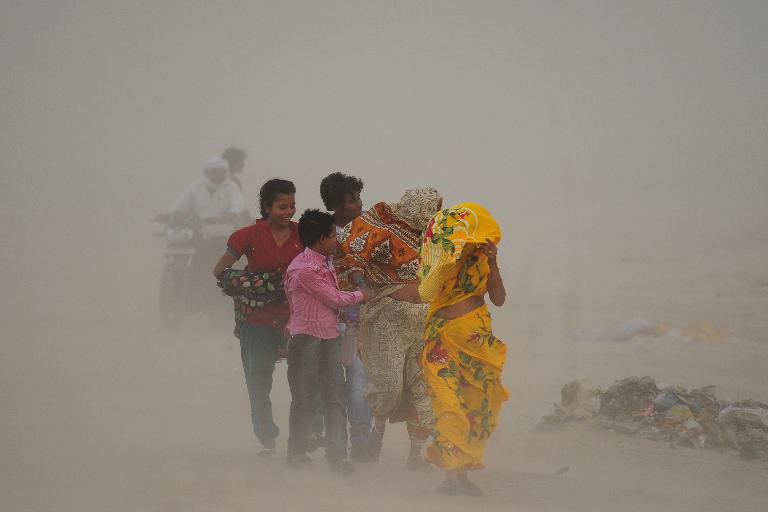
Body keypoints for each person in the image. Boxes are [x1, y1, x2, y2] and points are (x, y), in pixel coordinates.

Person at [336, 188, 441, 469]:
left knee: (424, 387)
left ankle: (416, 454)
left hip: (424, 322)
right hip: (387, 319)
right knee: (388, 386)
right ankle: (376, 433)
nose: (432, 214)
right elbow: (350, 255)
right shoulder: (379, 225)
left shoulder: (434, 236)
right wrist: (360, 282)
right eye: (429, 209)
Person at [418, 203, 508, 496]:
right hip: (440, 343)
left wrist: (493, 263)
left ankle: (462, 473)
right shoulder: (440, 259)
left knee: (477, 406)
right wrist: (446, 257)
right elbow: (425, 293)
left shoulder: (484, 261)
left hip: (475, 341)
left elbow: (499, 299)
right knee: (448, 407)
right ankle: (452, 475)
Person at [212, 179, 301, 456]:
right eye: (282, 206)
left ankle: (306, 436)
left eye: (292, 206)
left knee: (305, 380)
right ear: (266, 207)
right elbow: (220, 270)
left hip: (297, 321)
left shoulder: (305, 235)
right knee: (258, 381)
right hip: (256, 321)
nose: (289, 212)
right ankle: (267, 436)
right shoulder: (247, 236)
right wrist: (261, 284)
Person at [284, 209, 370, 474]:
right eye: (333, 236)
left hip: (329, 337)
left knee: (334, 396)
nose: (337, 240)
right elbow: (333, 299)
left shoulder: (324, 262)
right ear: (322, 239)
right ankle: (297, 453)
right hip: (306, 340)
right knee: (305, 399)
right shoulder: (305, 268)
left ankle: (336, 456)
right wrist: (361, 295)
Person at [319, 172, 374, 461]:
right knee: (334, 385)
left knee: (358, 382)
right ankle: (337, 443)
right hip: (328, 322)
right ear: (335, 204)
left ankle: (361, 438)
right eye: (353, 200)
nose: (359, 204)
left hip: (359, 321)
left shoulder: (370, 230)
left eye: (359, 198)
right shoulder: (321, 235)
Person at [170, 156, 245, 320]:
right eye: (214, 172)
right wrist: (177, 216)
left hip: (223, 236)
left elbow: (237, 207)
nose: (218, 175)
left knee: (219, 268)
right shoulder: (196, 187)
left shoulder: (231, 187)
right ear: (207, 173)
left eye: (221, 172)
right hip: (201, 235)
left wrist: (228, 215)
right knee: (195, 265)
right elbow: (180, 206)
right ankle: (189, 299)